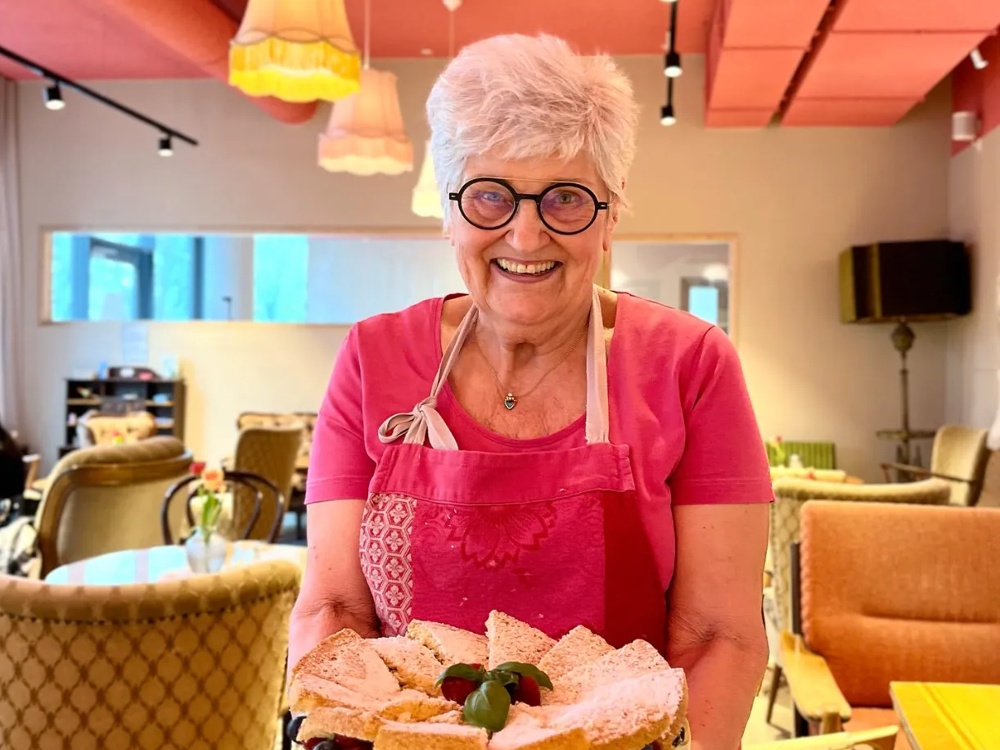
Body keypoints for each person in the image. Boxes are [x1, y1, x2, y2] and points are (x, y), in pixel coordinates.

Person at [290, 34, 773, 749]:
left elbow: (717, 635)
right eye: (490, 196)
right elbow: (334, 607)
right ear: (450, 211)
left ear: (609, 217)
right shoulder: (373, 357)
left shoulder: (690, 365)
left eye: (566, 199)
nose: (525, 234)